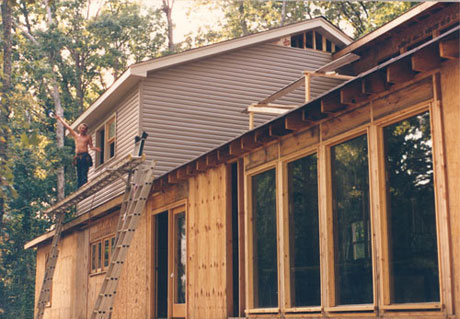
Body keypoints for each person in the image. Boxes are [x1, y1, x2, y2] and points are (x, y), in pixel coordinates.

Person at [55, 114, 101, 188]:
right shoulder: (76, 136)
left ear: (86, 130)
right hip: (78, 156)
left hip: (85, 155)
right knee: (79, 173)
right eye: (82, 128)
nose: (83, 129)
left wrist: (96, 149)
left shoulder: (88, 137)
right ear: (79, 128)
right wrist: (60, 119)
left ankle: (84, 185)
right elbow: (68, 127)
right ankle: (79, 187)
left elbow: (91, 146)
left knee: (84, 172)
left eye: (85, 129)